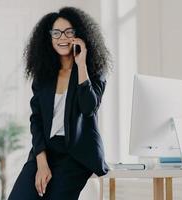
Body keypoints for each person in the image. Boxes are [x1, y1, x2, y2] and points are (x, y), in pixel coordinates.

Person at [7, 6, 112, 200]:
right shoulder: (43, 77)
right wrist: (41, 162)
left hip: (76, 155)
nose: (62, 37)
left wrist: (81, 64)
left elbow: (89, 108)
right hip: (45, 151)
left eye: (68, 32)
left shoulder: (94, 72)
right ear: (49, 38)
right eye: (56, 33)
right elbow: (36, 120)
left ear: (79, 35)